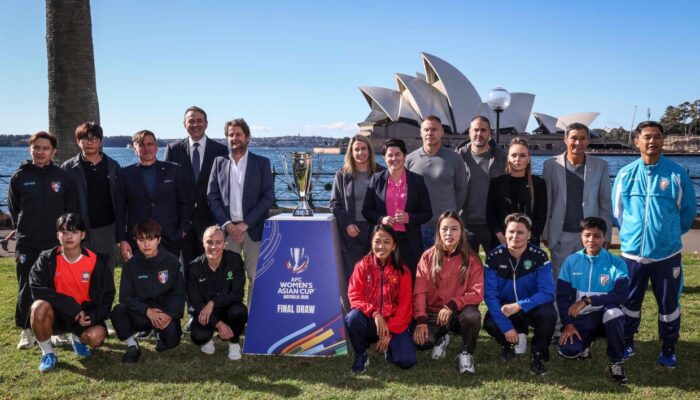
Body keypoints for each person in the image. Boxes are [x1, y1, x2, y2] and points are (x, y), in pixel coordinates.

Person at [612, 121, 697, 368]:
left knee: (669, 303)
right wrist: (632, 235)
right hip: (632, 255)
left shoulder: (677, 173)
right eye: (647, 137)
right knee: (629, 301)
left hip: (666, 254)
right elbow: (618, 212)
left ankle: (669, 347)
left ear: (662, 141)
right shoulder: (626, 174)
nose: (652, 141)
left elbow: (688, 212)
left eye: (657, 136)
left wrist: (668, 234)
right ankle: (627, 341)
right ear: (636, 141)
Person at [8, 131, 77, 350]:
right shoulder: (19, 177)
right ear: (30, 149)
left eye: (45, 148)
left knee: (57, 285)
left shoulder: (62, 176)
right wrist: (24, 229)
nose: (40, 152)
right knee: (26, 284)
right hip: (27, 242)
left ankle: (56, 330)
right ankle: (27, 330)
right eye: (36, 147)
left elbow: (70, 210)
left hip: (55, 243)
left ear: (53, 151)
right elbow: (14, 209)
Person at [28, 213, 114, 372]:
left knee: (96, 337)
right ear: (58, 235)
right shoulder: (47, 258)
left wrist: (93, 317)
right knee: (38, 307)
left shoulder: (95, 260)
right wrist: (71, 307)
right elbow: (36, 287)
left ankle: (77, 339)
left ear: (83, 235)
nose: (69, 236)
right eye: (64, 232)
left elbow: (108, 294)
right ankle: (48, 353)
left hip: (83, 314)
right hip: (57, 313)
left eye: (74, 232)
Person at [208, 118, 275, 305]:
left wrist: (247, 223)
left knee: (255, 276)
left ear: (248, 138)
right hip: (228, 232)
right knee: (226, 277)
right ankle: (230, 316)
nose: (234, 138)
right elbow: (212, 197)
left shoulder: (261, 163)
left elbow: (268, 197)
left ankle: (253, 316)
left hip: (253, 230)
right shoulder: (219, 163)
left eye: (238, 134)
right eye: (230, 135)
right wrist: (227, 225)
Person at [556, 217, 630, 384]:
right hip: (581, 318)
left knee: (615, 314)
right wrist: (568, 324)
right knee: (568, 351)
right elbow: (562, 297)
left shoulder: (617, 263)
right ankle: (586, 342)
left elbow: (621, 296)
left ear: (604, 237)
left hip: (604, 317)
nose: (591, 240)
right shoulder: (571, 261)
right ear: (581, 236)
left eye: (597, 236)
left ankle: (616, 361)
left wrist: (588, 300)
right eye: (587, 235)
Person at [483, 213, 556, 376]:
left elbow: (547, 293)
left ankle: (538, 355)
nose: (515, 236)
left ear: (528, 235)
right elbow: (490, 296)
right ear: (505, 232)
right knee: (490, 323)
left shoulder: (539, 256)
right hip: (506, 308)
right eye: (511, 231)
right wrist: (506, 327)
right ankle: (509, 343)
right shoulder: (494, 256)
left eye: (520, 232)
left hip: (531, 306)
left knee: (548, 315)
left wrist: (520, 305)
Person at [413, 211, 483, 374]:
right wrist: (421, 320)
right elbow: (420, 291)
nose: (449, 233)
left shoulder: (472, 259)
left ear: (461, 231)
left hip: (459, 313)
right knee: (421, 342)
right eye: (444, 229)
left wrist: (452, 305)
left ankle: (466, 353)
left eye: (454, 229)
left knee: (472, 316)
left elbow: (477, 292)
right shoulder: (427, 257)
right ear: (438, 231)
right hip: (434, 314)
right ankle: (441, 338)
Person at [542, 122, 612, 285]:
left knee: (587, 279)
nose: (578, 143)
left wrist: (606, 235)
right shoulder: (551, 165)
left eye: (582, 138)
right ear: (565, 139)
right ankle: (561, 303)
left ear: (588, 140)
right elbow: (547, 201)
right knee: (560, 280)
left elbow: (605, 204)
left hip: (590, 235)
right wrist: (545, 233)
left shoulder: (600, 166)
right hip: (561, 234)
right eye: (574, 138)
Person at [111, 220, 186, 363]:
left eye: (150, 239)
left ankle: (159, 334)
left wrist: (170, 315)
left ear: (159, 240)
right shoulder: (130, 265)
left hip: (164, 313)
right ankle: (132, 345)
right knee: (118, 311)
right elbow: (125, 296)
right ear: (135, 240)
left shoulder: (171, 261)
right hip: (142, 313)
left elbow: (179, 293)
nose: (146, 244)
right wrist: (146, 311)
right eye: (141, 240)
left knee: (172, 342)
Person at [345, 225, 416, 373]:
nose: (381, 246)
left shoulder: (403, 271)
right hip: (371, 321)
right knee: (353, 318)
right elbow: (354, 295)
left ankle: (389, 350)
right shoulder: (362, 266)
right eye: (377, 241)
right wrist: (374, 313)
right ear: (372, 242)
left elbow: (405, 307)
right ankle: (361, 354)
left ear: (394, 246)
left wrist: (389, 333)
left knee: (407, 361)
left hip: (393, 324)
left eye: (386, 242)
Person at [164, 106, 228, 266]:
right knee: (186, 267)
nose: (195, 124)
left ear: (206, 124)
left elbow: (225, 187)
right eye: (191, 121)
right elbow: (167, 186)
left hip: (210, 218)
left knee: (212, 266)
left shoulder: (220, 150)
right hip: (182, 220)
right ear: (184, 124)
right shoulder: (173, 149)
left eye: (199, 121)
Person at [115, 130, 192, 260]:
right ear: (135, 149)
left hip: (169, 237)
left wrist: (183, 230)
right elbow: (120, 209)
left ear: (156, 147)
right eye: (142, 145)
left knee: (170, 273)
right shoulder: (125, 174)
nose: (147, 148)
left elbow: (185, 203)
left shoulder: (174, 170)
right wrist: (122, 239)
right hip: (138, 240)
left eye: (150, 144)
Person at [362, 138, 432, 279]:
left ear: (404, 156)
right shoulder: (376, 180)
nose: (394, 158)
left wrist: (409, 217)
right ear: (384, 158)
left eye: (398, 154)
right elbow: (366, 211)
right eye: (390, 155)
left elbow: (427, 213)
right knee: (384, 280)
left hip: (409, 241)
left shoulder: (417, 180)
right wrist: (381, 219)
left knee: (410, 279)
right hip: (384, 241)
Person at [61, 122, 121, 273]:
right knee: (80, 274)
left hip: (107, 229)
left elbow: (120, 199)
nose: (89, 142)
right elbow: (62, 201)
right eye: (84, 139)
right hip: (79, 230)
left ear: (100, 141)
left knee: (106, 274)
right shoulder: (68, 168)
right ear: (78, 141)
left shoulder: (113, 166)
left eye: (93, 138)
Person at [187, 226, 248, 360]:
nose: (214, 247)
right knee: (198, 336)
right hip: (207, 313)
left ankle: (234, 342)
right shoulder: (194, 267)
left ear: (224, 243)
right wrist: (218, 323)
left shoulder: (235, 259)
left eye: (218, 242)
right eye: (209, 242)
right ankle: (208, 339)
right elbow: (196, 302)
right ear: (203, 243)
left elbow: (238, 294)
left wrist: (213, 302)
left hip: (230, 309)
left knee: (239, 312)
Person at [406, 116, 468, 248]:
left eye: (434, 129)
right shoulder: (409, 159)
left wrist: (451, 212)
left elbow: (462, 189)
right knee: (418, 261)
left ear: (442, 132)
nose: (430, 133)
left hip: (444, 226)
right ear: (421, 132)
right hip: (417, 225)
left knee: (444, 261)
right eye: (426, 129)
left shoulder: (455, 159)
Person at [330, 134, 384, 282]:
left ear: (369, 151)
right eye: (357, 149)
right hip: (352, 231)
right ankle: (353, 299)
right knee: (354, 275)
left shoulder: (381, 172)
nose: (360, 152)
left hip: (375, 229)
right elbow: (334, 204)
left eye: (364, 148)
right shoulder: (342, 174)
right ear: (351, 152)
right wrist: (347, 224)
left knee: (375, 273)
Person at [456, 116, 507, 254]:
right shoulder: (457, 158)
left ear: (490, 133)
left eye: (483, 130)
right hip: (465, 225)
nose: (479, 134)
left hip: (494, 225)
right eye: (476, 130)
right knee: (467, 266)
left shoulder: (502, 158)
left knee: (498, 265)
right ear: (469, 132)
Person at [486, 137, 547, 247]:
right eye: (514, 155)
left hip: (529, 243)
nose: (517, 159)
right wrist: (501, 236)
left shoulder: (538, 184)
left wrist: (528, 237)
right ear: (508, 158)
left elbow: (541, 216)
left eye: (522, 155)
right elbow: (490, 213)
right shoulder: (496, 183)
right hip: (501, 242)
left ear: (528, 159)